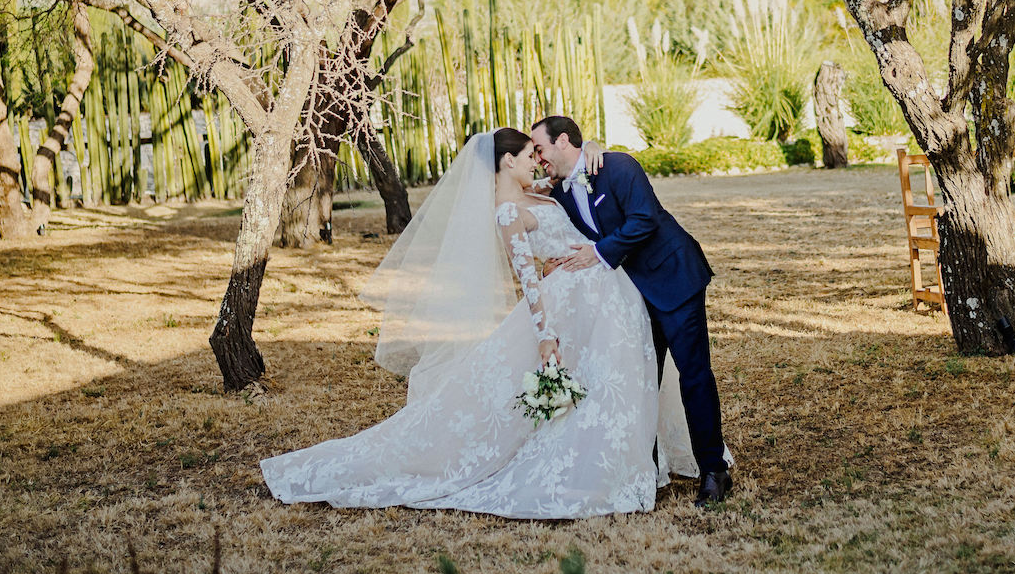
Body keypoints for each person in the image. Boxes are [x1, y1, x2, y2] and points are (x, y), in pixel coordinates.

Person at [259, 128, 701, 518]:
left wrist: (594, 148)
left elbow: (575, 166)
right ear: (509, 161)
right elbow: (528, 278)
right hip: (577, 304)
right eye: (531, 156)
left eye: (540, 154)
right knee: (595, 385)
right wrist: (545, 337)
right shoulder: (509, 210)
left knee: (614, 382)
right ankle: (602, 469)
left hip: (608, 297)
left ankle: (633, 459)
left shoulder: (541, 190)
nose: (538, 162)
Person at [530, 115, 732, 505]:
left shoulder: (618, 166)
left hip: (674, 279)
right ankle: (645, 466)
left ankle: (714, 470)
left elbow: (645, 220)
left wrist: (599, 253)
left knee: (693, 376)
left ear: (565, 141)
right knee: (639, 381)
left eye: (540, 148)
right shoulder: (560, 194)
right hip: (630, 297)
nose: (539, 158)